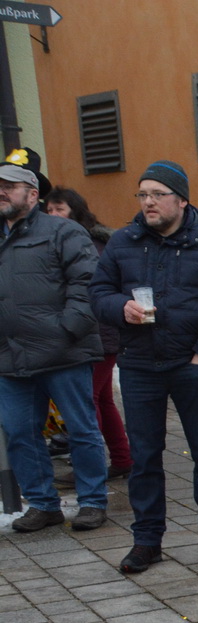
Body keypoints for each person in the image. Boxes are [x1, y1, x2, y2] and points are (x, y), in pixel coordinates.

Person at [91, 160, 198, 574]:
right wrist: (121, 307)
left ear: (181, 199)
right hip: (138, 364)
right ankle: (147, 541)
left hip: (189, 363)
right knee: (144, 457)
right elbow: (97, 292)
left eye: (157, 194)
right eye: (143, 194)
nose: (149, 202)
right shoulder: (123, 242)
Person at [0, 149, 108, 532]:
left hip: (63, 352)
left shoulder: (63, 231)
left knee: (81, 429)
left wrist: (67, 329)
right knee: (19, 432)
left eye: (9, 187)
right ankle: (44, 505)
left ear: (32, 194)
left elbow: (88, 283)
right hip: (10, 356)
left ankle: (93, 501)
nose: (2, 193)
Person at [42, 185, 129, 481]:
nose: (53, 216)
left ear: (75, 212)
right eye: (49, 210)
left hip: (97, 335)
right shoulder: (62, 241)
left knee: (85, 402)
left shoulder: (89, 244)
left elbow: (90, 292)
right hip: (96, 335)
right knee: (101, 399)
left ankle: (86, 469)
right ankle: (122, 458)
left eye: (60, 210)